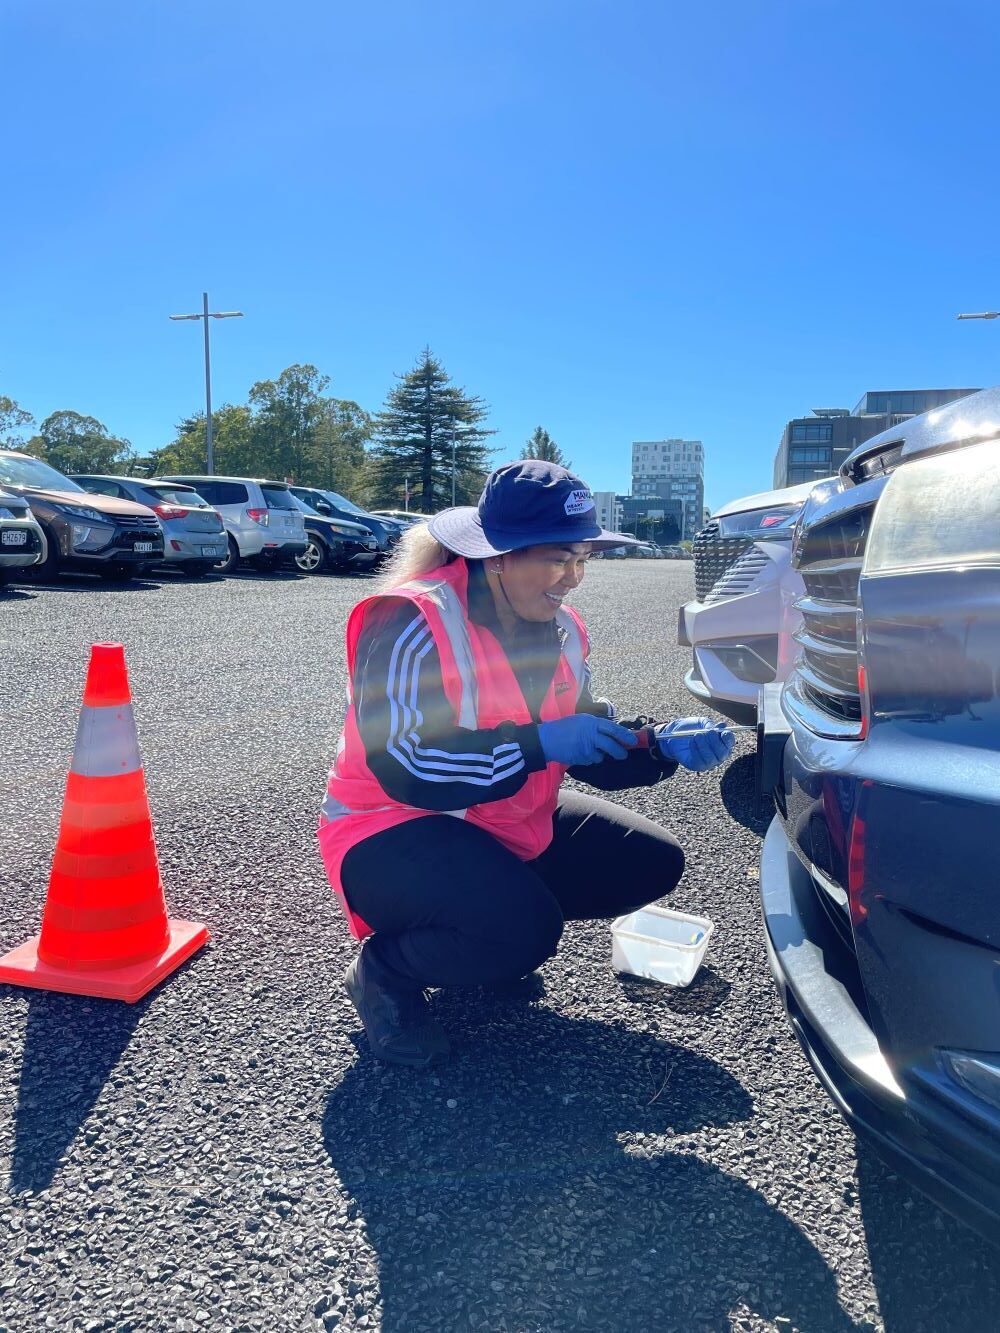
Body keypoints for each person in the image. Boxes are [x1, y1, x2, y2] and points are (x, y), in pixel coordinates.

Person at [318, 461, 734, 1067]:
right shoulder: (413, 617)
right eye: (559, 559)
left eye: (582, 559)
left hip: (495, 815)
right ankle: (386, 970)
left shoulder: (562, 627)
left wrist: (656, 744)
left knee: (650, 861)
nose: (573, 578)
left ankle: (481, 931)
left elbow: (584, 735)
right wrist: (538, 744)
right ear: (498, 557)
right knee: (522, 930)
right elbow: (407, 765)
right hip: (390, 827)